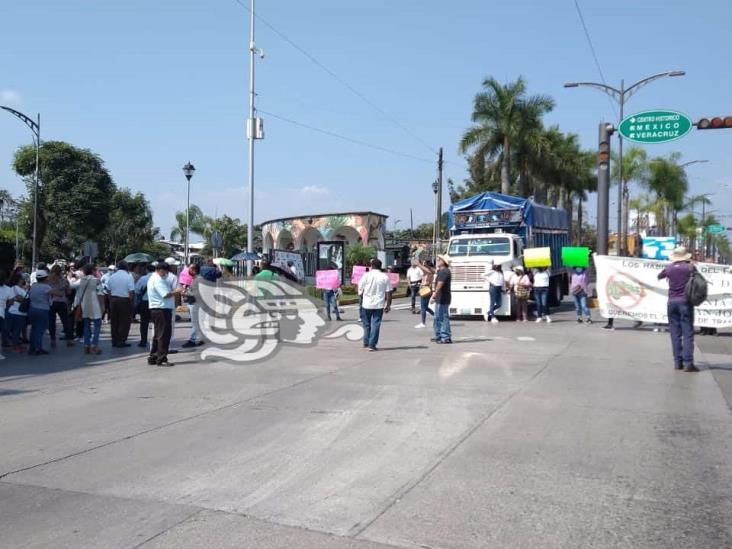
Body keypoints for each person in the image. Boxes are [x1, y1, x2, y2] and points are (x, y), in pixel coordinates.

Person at [658, 246, 697, 372]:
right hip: (685, 302)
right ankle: (688, 363)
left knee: (675, 334)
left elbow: (659, 276)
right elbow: (698, 279)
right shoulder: (690, 268)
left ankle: (677, 362)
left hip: (672, 303)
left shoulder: (669, 268)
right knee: (687, 333)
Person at [147, 261, 183, 366]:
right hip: (162, 309)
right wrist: (177, 291)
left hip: (157, 309)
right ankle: (161, 359)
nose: (166, 274)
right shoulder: (158, 280)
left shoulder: (154, 278)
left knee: (158, 334)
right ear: (160, 270)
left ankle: (154, 356)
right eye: (165, 272)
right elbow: (166, 294)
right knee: (164, 335)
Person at [357, 258, 392, 351]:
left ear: (371, 266)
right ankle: (372, 344)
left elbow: (360, 287)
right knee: (376, 324)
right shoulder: (385, 277)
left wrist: (361, 294)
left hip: (366, 303)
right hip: (379, 304)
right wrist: (388, 305)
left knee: (366, 324)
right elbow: (389, 292)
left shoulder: (366, 275)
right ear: (380, 266)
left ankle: (366, 342)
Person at [28, 270, 64, 355]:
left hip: (32, 309)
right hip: (42, 310)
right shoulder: (46, 287)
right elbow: (59, 294)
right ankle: (38, 348)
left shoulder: (33, 286)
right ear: (45, 278)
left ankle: (32, 347)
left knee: (34, 329)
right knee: (40, 330)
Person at [73, 264, 104, 355]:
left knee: (86, 325)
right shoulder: (96, 281)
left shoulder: (81, 281)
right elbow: (101, 294)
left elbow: (71, 285)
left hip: (85, 306)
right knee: (97, 325)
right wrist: (102, 306)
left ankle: (87, 345)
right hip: (95, 306)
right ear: (93, 271)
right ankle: (95, 345)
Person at [107, 261, 135, 347]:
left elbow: (108, 290)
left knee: (114, 321)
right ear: (126, 268)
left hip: (113, 300)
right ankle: (121, 340)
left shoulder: (112, 277)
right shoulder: (128, 277)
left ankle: (114, 340)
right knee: (124, 322)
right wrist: (130, 302)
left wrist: (111, 299)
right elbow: (131, 291)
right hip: (124, 300)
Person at [48, 264, 74, 347]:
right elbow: (69, 292)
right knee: (65, 321)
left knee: (51, 322)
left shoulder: (48, 280)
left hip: (51, 302)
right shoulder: (64, 280)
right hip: (62, 302)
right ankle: (69, 340)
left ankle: (53, 340)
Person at [430, 255, 452, 344]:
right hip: (440, 297)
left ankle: (445, 336)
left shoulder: (444, 272)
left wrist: (434, 295)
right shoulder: (441, 271)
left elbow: (440, 284)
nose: (437, 260)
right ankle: (439, 335)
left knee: (443, 317)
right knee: (437, 317)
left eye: (439, 259)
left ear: (443, 262)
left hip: (443, 297)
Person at [181, 263, 205, 347]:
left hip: (195, 303)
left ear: (194, 270)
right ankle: (202, 338)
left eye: (190, 269)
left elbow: (194, 292)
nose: (188, 271)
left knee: (195, 322)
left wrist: (184, 292)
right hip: (196, 302)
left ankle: (192, 340)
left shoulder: (197, 279)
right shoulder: (196, 278)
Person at [7, 273, 28, 353]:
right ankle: (15, 347)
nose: (23, 280)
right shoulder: (22, 290)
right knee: (17, 331)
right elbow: (27, 299)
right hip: (20, 313)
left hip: (11, 311)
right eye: (22, 278)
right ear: (19, 280)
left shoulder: (11, 288)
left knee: (12, 330)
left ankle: (15, 345)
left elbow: (9, 301)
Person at [135, 264, 155, 347]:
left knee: (144, 322)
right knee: (156, 323)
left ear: (147, 270)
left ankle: (143, 341)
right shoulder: (158, 278)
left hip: (145, 302)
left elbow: (137, 289)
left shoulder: (143, 278)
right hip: (155, 303)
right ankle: (155, 341)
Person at [415, 260, 435, 329]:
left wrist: (419, 264)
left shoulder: (429, 271)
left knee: (423, 307)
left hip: (426, 289)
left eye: (425, 264)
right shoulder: (428, 271)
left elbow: (422, 268)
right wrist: (420, 262)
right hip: (425, 289)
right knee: (425, 307)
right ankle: (436, 316)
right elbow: (422, 268)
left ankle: (423, 323)